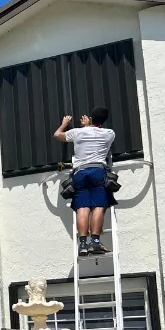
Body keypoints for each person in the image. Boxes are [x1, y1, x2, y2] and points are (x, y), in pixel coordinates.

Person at [53, 107, 116, 256]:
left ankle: (82, 244)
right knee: (98, 206)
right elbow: (94, 133)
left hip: (80, 173)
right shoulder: (109, 134)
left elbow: (57, 135)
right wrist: (88, 126)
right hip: (98, 171)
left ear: (91, 118)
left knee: (82, 207)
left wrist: (64, 124)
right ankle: (95, 242)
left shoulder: (77, 132)